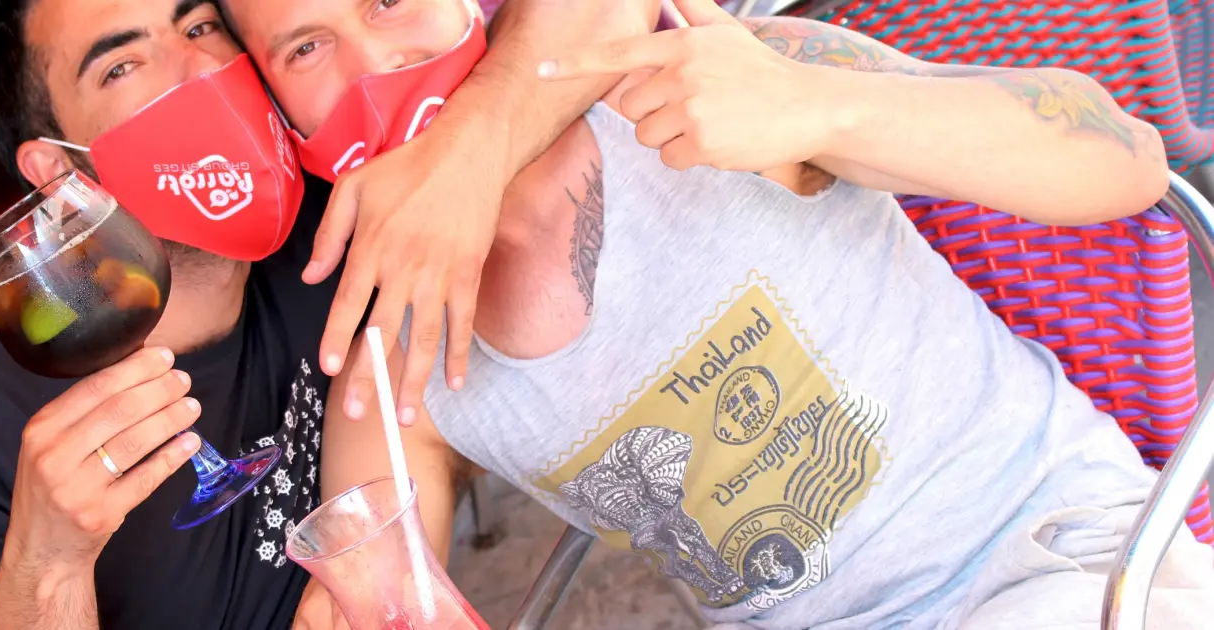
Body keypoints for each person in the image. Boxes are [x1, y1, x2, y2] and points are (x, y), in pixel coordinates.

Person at [218, 0, 1214, 627]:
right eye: (307, 46)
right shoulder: (395, 359)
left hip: (1058, 562)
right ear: (279, 120)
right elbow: (379, 593)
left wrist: (814, 103)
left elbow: (1128, 161)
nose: (371, 66)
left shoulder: (706, 79)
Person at [0, 0, 660, 628]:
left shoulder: (333, 201)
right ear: (58, 173)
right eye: (122, 66)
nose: (195, 70)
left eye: (198, 27)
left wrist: (468, 151)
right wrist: (48, 566)